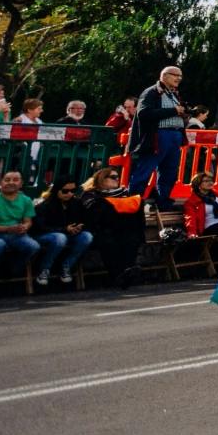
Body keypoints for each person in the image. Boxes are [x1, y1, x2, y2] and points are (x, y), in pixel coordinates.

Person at [129, 65, 187, 210]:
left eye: (180, 76)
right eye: (175, 75)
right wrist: (173, 111)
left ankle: (163, 201)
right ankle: (134, 202)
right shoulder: (152, 92)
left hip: (174, 135)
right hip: (158, 136)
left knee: (169, 172)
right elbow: (144, 113)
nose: (178, 78)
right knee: (145, 170)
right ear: (165, 76)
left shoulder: (173, 94)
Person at [78, 166, 144, 290]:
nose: (117, 179)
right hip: (101, 230)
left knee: (132, 237)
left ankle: (127, 270)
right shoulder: (90, 195)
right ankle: (119, 274)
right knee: (109, 241)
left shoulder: (124, 194)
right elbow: (92, 215)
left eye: (117, 177)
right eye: (113, 177)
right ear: (102, 179)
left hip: (122, 230)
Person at [30, 178, 93, 288]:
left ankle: (67, 266)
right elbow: (40, 227)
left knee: (87, 236)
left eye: (72, 191)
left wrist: (79, 227)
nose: (69, 194)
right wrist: (64, 229)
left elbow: (87, 220)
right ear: (57, 190)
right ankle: (45, 269)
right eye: (65, 191)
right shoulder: (45, 205)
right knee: (60, 238)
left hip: (69, 234)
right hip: (45, 235)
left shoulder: (77, 203)